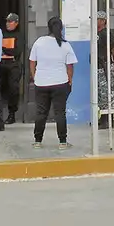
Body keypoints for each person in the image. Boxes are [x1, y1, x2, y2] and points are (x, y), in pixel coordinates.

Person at [29, 16, 78, 150]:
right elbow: (70, 66)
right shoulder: (65, 45)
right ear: (61, 28)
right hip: (60, 83)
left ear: (48, 27)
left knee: (41, 113)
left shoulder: (39, 42)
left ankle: (37, 141)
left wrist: (35, 76)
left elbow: (32, 61)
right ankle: (62, 142)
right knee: (59, 113)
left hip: (41, 83)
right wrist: (69, 80)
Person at [95, 11, 114, 130]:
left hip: (105, 67)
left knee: (107, 94)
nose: (95, 21)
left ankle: (109, 120)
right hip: (98, 67)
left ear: (103, 21)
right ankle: (103, 118)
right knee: (100, 94)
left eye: (98, 19)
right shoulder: (97, 33)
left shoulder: (106, 34)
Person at [0, 13, 24, 124]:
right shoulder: (2, 34)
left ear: (16, 23)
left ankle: (11, 114)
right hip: (1, 64)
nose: (8, 24)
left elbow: (17, 51)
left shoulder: (19, 35)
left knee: (13, 90)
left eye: (10, 22)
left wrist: (3, 49)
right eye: (7, 21)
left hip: (13, 65)